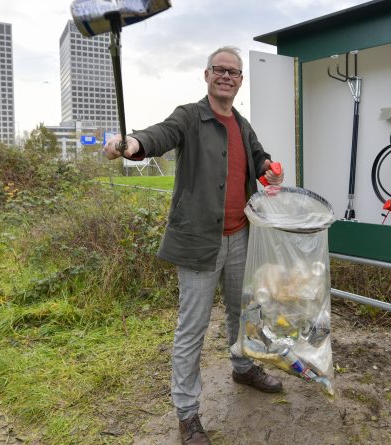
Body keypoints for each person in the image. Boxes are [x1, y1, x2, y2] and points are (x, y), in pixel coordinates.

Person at [103, 46, 284, 445]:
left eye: (233, 72)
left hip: (240, 236)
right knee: (193, 328)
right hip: (200, 242)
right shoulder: (189, 116)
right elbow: (159, 135)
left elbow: (259, 160)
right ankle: (187, 413)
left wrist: (269, 170)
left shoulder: (241, 123)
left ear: (240, 81)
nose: (226, 76)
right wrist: (132, 143)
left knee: (241, 311)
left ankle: (242, 366)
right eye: (219, 70)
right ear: (206, 75)